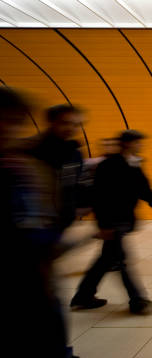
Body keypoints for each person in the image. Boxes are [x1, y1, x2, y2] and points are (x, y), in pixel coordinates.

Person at [1, 88, 77, 357]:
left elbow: (38, 213)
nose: (9, 130)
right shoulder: (27, 159)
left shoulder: (23, 165)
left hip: (33, 269)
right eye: (6, 121)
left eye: (15, 123)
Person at [71, 130, 152, 314]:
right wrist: (104, 224)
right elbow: (100, 196)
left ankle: (83, 296)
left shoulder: (134, 163)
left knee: (105, 260)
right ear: (127, 143)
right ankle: (137, 300)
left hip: (123, 217)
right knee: (121, 259)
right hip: (112, 220)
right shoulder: (109, 165)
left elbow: (142, 185)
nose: (140, 146)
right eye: (138, 142)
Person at [26, 104, 86, 232]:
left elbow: (72, 184)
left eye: (76, 125)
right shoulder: (31, 149)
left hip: (60, 221)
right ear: (51, 122)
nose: (71, 128)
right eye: (65, 123)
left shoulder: (74, 153)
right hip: (32, 221)